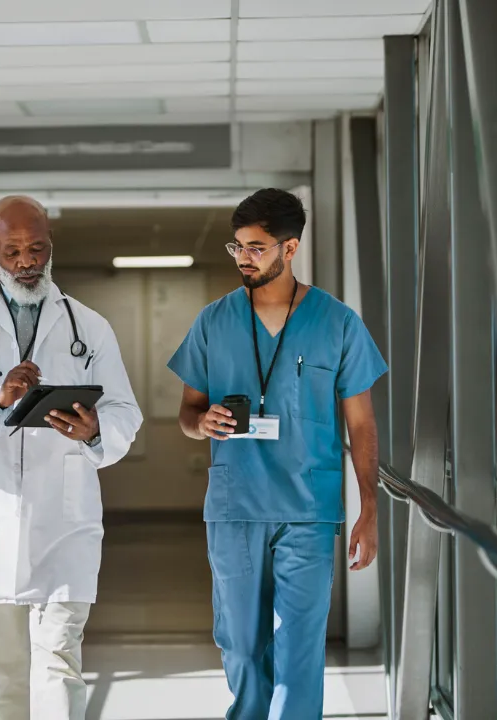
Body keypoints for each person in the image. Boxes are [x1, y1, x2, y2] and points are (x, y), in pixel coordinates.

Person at [0, 196, 143, 719]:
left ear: (50, 245)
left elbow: (124, 412)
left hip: (63, 519)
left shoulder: (90, 327)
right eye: (13, 250)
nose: (26, 261)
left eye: (36, 248)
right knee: (5, 670)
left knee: (59, 659)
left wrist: (94, 431)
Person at [168, 189, 387, 719]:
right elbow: (187, 413)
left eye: (257, 247)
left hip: (308, 510)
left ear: (290, 249)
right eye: (237, 246)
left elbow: (361, 423)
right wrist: (203, 422)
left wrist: (369, 510)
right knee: (241, 645)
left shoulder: (337, 322)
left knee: (299, 650)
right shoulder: (213, 321)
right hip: (235, 505)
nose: (244, 257)